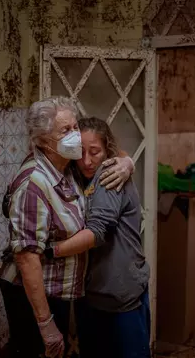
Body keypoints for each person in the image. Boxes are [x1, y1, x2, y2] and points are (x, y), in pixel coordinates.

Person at [0, 97, 135, 358]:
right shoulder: (34, 184)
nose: (75, 136)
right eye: (65, 130)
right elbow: (27, 258)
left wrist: (127, 163)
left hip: (58, 291)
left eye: (74, 127)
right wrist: (45, 324)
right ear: (42, 141)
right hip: (33, 295)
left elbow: (108, 149)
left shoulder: (67, 165)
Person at [44, 117, 151, 358]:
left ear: (107, 151)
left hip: (120, 294)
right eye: (80, 152)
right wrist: (128, 159)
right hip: (93, 294)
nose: (87, 161)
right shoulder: (76, 173)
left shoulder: (109, 174)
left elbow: (98, 232)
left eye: (95, 152)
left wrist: (51, 251)